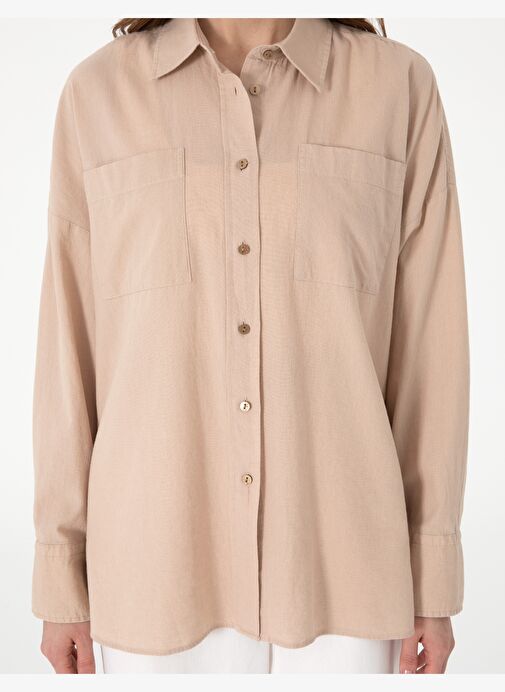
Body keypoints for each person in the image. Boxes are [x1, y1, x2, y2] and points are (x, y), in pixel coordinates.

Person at [32, 18, 470, 674]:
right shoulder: (97, 94)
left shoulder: (397, 87)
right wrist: (60, 571)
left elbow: (431, 348)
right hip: (156, 565)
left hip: (344, 567)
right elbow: (69, 344)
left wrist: (431, 575)